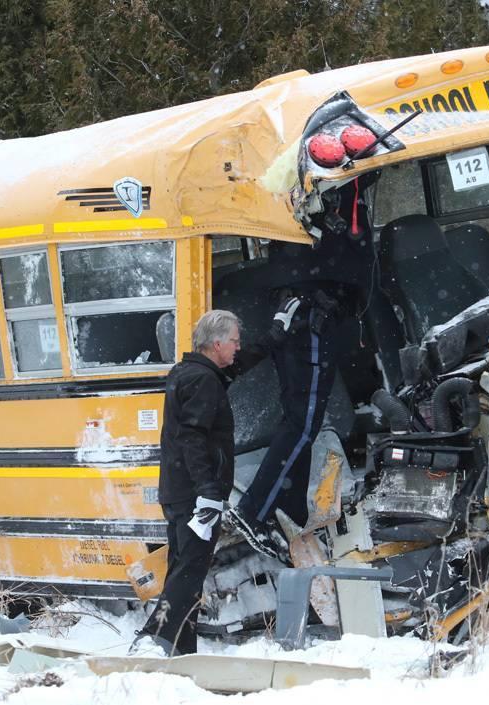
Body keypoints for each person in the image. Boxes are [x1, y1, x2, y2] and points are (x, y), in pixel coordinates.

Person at [129, 307, 295, 656]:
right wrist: (207, 491)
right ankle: (152, 639)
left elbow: (237, 365)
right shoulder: (203, 381)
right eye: (234, 341)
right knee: (189, 571)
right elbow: (192, 438)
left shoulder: (190, 373)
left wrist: (272, 338)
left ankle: (180, 649)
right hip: (195, 496)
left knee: (184, 569)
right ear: (216, 343)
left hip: (179, 492)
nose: (238, 346)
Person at [229, 175, 377, 548]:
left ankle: (288, 510)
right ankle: (254, 512)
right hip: (309, 313)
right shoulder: (315, 185)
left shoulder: (330, 189)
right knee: (303, 421)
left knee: (301, 418)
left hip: (307, 308)